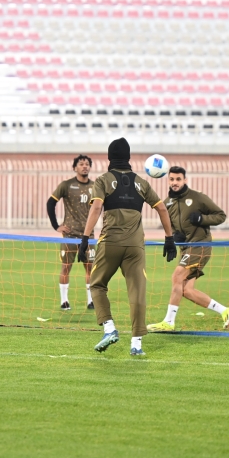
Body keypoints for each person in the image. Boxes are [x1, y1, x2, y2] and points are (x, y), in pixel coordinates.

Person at [77, 137, 176, 357]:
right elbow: (161, 209)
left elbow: (96, 209)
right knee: (137, 293)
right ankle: (137, 344)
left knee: (97, 284)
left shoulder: (103, 180)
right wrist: (169, 239)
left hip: (110, 242)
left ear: (110, 158)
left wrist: (85, 238)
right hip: (135, 246)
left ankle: (109, 328)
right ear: (129, 158)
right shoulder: (142, 182)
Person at [147, 166, 229, 332]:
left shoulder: (197, 197)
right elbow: (169, 226)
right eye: (172, 179)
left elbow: (220, 215)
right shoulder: (167, 203)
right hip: (186, 249)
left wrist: (202, 218)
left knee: (177, 276)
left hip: (201, 245)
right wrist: (173, 236)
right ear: (168, 180)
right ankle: (225, 311)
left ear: (185, 180)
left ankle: (169, 322)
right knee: (186, 290)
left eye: (178, 179)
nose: (175, 182)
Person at [47, 154, 95, 311]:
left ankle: (91, 301)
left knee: (90, 267)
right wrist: (56, 226)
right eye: (81, 164)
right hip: (70, 236)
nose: (84, 166)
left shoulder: (95, 187)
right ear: (75, 168)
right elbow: (50, 203)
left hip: (89, 237)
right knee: (66, 266)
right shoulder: (66, 185)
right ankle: (64, 301)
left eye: (87, 164)